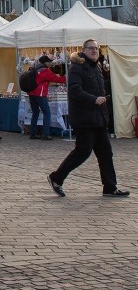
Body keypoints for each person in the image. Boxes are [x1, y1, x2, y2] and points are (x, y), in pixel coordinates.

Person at [48, 39, 130, 199]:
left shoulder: (96, 68)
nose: (94, 51)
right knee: (82, 151)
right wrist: (93, 99)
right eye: (91, 48)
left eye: (97, 49)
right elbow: (74, 90)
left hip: (99, 119)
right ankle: (56, 178)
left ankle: (110, 187)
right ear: (83, 50)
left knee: (106, 153)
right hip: (85, 119)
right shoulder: (77, 68)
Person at [28, 54, 66, 140]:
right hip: (40, 94)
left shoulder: (35, 69)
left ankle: (32, 133)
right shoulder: (45, 71)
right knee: (47, 113)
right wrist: (66, 78)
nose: (51, 63)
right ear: (46, 62)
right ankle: (45, 134)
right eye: (49, 62)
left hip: (31, 93)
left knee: (35, 113)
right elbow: (56, 79)